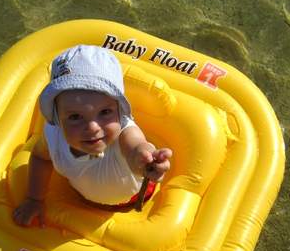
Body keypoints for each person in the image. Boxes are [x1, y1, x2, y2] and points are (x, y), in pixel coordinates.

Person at [13, 45, 172, 227]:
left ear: (119, 110)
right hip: (80, 192)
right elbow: (40, 158)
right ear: (57, 117)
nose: (92, 127)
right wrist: (34, 199)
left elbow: (137, 146)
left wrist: (145, 159)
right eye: (75, 117)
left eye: (105, 112)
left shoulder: (125, 134)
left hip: (131, 198)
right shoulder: (53, 134)